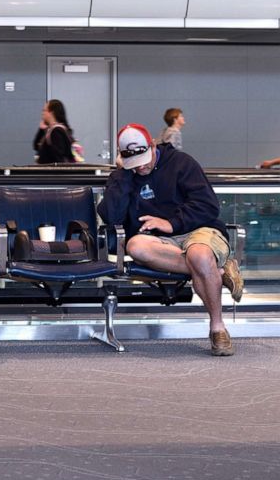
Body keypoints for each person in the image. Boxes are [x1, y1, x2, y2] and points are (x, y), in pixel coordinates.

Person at [98, 123, 244, 356]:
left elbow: (208, 206)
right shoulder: (124, 175)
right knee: (136, 245)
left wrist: (171, 223)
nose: (142, 166)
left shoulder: (181, 163)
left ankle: (218, 327)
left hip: (199, 230)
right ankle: (219, 270)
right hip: (159, 243)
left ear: (153, 145)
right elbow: (112, 216)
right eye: (134, 164)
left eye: (144, 158)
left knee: (199, 254)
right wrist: (123, 175)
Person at [34, 99, 77, 164]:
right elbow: (36, 146)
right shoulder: (51, 130)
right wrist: (41, 130)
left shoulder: (56, 131)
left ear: (51, 113)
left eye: (44, 110)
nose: (42, 113)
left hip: (53, 173)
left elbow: (59, 159)